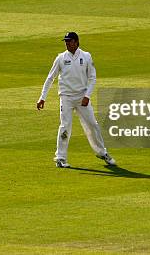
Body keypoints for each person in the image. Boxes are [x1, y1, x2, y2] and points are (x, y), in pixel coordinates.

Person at [37, 32, 116, 168]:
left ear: (76, 42)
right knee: (65, 127)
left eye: (70, 41)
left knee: (93, 125)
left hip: (81, 97)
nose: (67, 43)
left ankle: (102, 153)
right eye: (66, 41)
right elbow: (50, 78)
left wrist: (87, 96)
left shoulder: (86, 56)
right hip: (66, 97)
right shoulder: (61, 58)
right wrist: (42, 98)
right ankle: (60, 158)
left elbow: (92, 77)